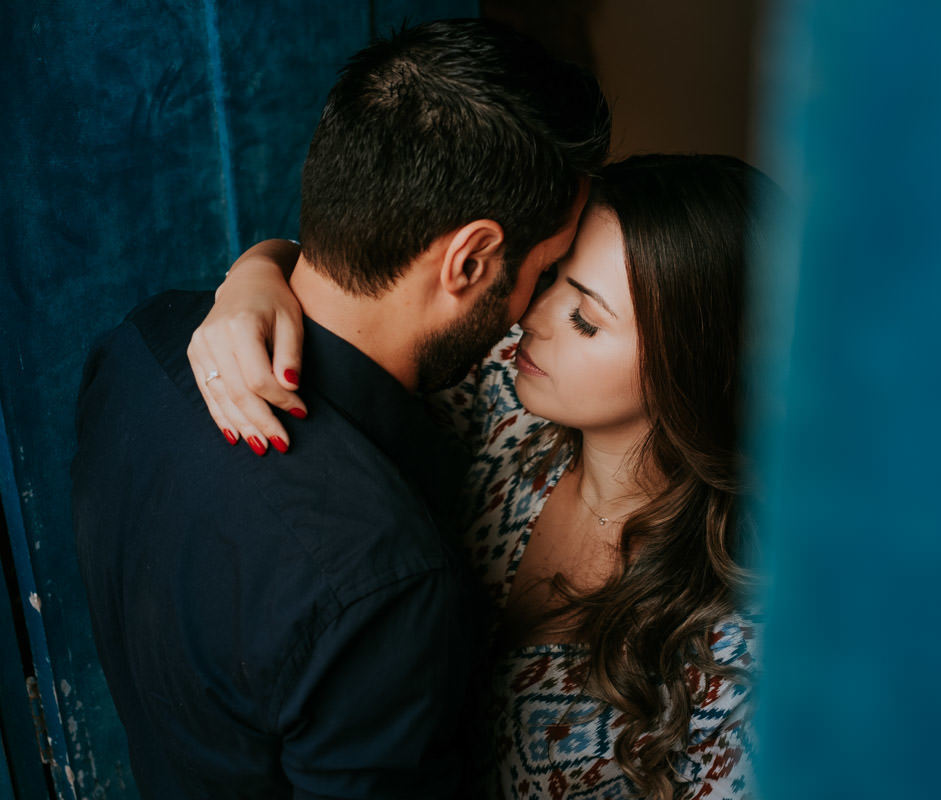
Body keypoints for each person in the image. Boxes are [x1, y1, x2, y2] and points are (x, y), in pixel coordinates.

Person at [71, 19, 609, 798]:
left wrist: (259, 265)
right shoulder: (384, 578)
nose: (534, 312)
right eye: (545, 270)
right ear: (470, 259)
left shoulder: (143, 344)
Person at [190, 154, 767, 800]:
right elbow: (358, 310)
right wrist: (256, 277)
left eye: (585, 319)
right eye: (549, 279)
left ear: (690, 364)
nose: (534, 318)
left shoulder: (735, 658)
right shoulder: (504, 400)